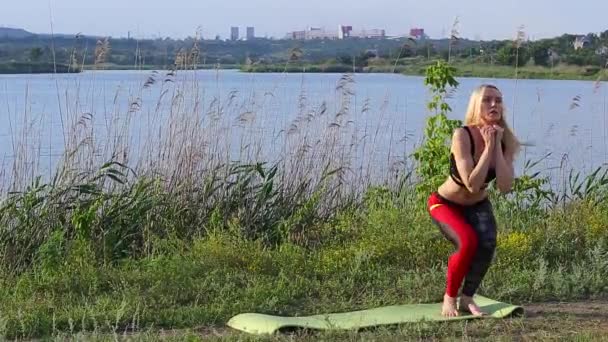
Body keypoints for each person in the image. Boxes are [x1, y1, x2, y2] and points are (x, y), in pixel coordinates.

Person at [427, 84, 520, 317]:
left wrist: (497, 145)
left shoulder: (506, 139)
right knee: (468, 242)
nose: (493, 105)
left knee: (487, 244)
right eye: (487, 100)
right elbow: (471, 183)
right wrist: (488, 147)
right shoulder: (462, 135)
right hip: (445, 204)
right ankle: (449, 298)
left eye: (498, 100)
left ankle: (467, 298)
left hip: (478, 205)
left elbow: (505, 187)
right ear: (476, 105)